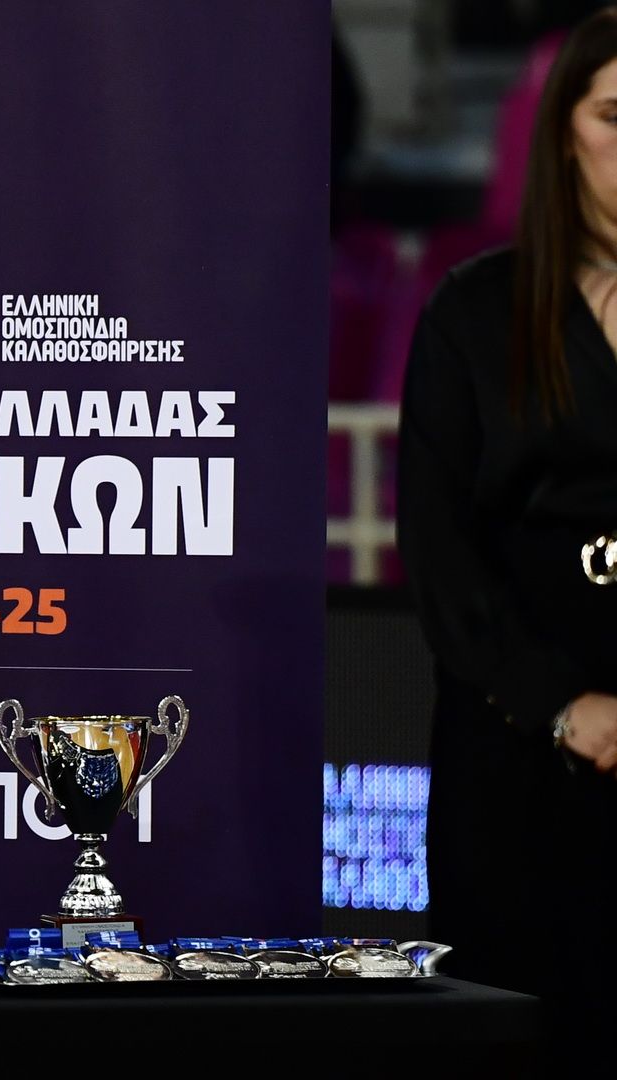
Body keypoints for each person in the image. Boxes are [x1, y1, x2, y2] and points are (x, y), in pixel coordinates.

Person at [399, 8, 617, 1012]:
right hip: (515, 754)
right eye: (615, 117)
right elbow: (439, 554)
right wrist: (565, 707)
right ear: (563, 132)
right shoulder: (474, 312)